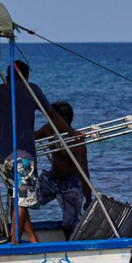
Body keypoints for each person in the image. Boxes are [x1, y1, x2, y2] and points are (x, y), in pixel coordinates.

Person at [0, 60, 72, 243]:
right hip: (23, 156)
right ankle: (15, 242)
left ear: (7, 77)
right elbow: (52, 116)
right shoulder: (32, 89)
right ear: (26, 77)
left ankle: (32, 238)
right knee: (23, 200)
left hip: (2, 157)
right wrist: (72, 132)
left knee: (19, 200)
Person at [35, 100, 92, 239]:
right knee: (27, 199)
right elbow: (32, 137)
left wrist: (88, 199)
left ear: (65, 119)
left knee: (69, 225)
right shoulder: (48, 129)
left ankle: (70, 248)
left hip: (71, 185)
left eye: (54, 117)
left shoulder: (77, 141)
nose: (50, 120)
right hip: (52, 179)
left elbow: (83, 172)